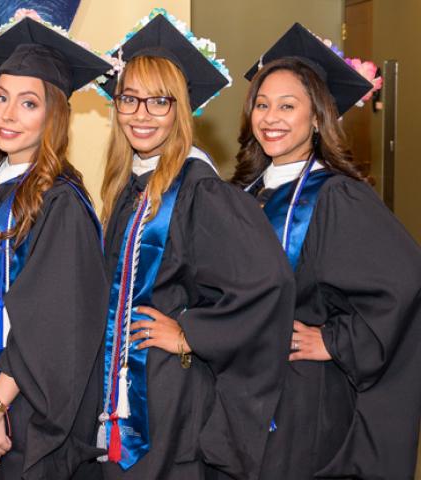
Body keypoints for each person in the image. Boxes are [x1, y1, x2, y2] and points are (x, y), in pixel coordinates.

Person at [94, 10, 295, 480]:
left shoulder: (199, 191)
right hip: (120, 393)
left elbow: (268, 282)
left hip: (168, 399)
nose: (141, 115)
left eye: (159, 102)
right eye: (130, 99)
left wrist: (190, 334)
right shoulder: (129, 185)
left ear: (180, 110)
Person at [232, 22, 421, 480]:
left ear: (317, 118)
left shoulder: (337, 197)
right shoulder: (242, 192)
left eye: (288, 106)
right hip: (241, 393)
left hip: (302, 399)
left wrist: (334, 341)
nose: (270, 117)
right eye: (262, 104)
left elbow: (401, 284)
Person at [0, 11, 111, 480]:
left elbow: (54, 323)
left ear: (54, 115)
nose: (7, 114)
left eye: (28, 103)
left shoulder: (60, 203)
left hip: (22, 417)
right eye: (2, 98)